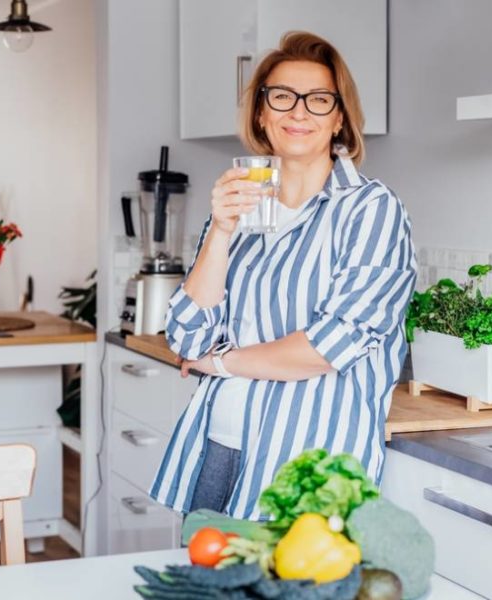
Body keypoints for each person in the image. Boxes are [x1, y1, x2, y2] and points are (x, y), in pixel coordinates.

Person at [149, 31, 416, 521]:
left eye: (318, 100)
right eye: (282, 97)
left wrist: (222, 362)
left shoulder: (371, 210)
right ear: (261, 113)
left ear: (339, 118)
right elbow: (187, 338)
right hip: (219, 444)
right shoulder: (237, 207)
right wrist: (221, 231)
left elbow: (328, 347)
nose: (298, 112)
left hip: (306, 464)